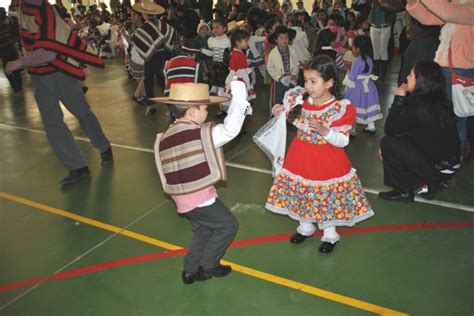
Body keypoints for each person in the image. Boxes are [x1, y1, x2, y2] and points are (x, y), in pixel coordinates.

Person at [267, 55, 374, 253]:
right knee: (304, 191)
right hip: (300, 155)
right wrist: (279, 109)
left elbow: (343, 140)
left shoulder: (338, 108)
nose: (308, 86)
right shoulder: (300, 99)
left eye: (313, 81)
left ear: (329, 83)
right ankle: (306, 227)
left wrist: (326, 132)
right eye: (306, 80)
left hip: (326, 158)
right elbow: (285, 113)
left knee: (325, 195)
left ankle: (330, 234)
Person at [152, 81, 251, 284]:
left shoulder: (166, 135)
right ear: (192, 112)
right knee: (228, 225)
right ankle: (209, 264)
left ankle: (189, 270)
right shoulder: (199, 134)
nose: (207, 112)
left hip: (181, 199)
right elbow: (230, 130)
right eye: (205, 108)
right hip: (199, 197)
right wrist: (240, 96)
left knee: (203, 230)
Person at [6, 0, 113, 185]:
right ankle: (77, 167)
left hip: (59, 73)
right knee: (52, 123)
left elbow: (50, 50)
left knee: (82, 113)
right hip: (39, 77)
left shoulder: (43, 10)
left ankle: (104, 147)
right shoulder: (25, 8)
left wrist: (18, 63)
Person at [379, 61, 461, 202]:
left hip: (438, 168)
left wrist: (399, 99)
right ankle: (435, 182)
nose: (407, 77)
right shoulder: (440, 101)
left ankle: (404, 191)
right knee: (401, 140)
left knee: (387, 143)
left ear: (420, 81)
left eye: (411, 75)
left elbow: (390, 129)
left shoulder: (419, 107)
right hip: (451, 165)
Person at [406, 0, 474, 161]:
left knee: (457, 115)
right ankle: (447, 152)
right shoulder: (459, 6)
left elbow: (448, 12)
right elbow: (429, 18)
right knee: (444, 113)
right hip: (445, 67)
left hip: (460, 69)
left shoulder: (468, 7)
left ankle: (455, 155)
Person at [131, 0, 180, 115]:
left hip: (151, 58)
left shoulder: (144, 27)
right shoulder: (161, 24)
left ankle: (151, 106)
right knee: (162, 81)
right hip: (162, 55)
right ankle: (172, 108)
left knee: (148, 80)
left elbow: (138, 37)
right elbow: (172, 33)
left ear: (144, 14)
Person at [343, 35, 381, 135]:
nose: (352, 50)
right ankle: (371, 126)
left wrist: (346, 80)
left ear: (358, 49)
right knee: (368, 104)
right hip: (369, 86)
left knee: (354, 107)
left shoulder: (357, 61)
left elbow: (352, 77)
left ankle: (352, 130)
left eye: (353, 47)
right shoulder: (369, 59)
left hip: (357, 88)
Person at [202, 18, 231, 116]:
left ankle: (228, 110)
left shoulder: (228, 42)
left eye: (217, 27)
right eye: (213, 28)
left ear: (224, 28)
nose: (215, 30)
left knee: (225, 90)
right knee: (219, 91)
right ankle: (222, 109)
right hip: (215, 68)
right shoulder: (212, 41)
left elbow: (229, 56)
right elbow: (212, 54)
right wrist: (202, 51)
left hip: (224, 68)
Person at [267, 25, 299, 108]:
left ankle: (289, 116)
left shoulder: (292, 51)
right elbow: (270, 68)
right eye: (281, 38)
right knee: (278, 101)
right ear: (276, 40)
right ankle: (277, 117)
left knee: (291, 100)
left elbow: (296, 64)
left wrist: (294, 74)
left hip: (291, 81)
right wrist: (279, 77)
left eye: (286, 38)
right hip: (279, 82)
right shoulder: (273, 53)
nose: (284, 40)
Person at [0, 7, 22, 92]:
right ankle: (19, 85)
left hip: (2, 49)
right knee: (15, 66)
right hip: (11, 47)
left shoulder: (7, 23)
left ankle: (14, 86)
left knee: (7, 68)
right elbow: (15, 34)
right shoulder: (8, 23)